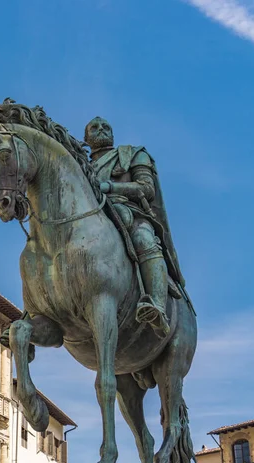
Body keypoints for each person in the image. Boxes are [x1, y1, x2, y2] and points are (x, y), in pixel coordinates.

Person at [84, 116, 186, 338]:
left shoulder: (133, 154)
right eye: (94, 128)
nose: (101, 130)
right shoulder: (81, 166)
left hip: (128, 212)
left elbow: (146, 188)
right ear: (86, 138)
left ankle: (158, 307)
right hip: (91, 218)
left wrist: (109, 187)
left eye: (106, 127)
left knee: (144, 238)